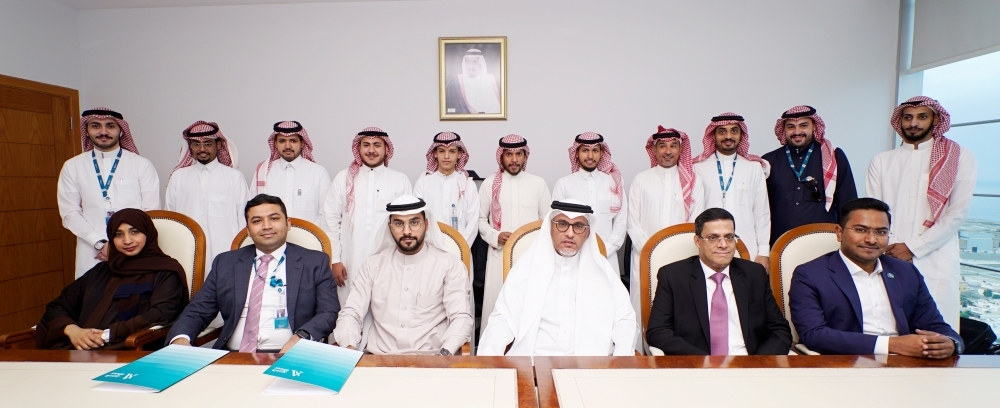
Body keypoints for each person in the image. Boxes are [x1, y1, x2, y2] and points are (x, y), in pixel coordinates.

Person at [788, 198, 963, 357]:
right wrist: (892, 345)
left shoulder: (906, 272)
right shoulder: (810, 274)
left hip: (909, 366)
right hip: (847, 365)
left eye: (881, 232)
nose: (871, 240)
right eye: (861, 230)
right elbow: (815, 335)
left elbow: (934, 324)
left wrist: (949, 343)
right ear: (839, 233)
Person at [166, 194, 339, 352]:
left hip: (292, 355)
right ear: (248, 230)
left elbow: (328, 312)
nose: (266, 226)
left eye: (274, 218)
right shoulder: (226, 263)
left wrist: (300, 338)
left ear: (288, 223)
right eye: (257, 221)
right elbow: (198, 311)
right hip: (232, 356)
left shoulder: (314, 262)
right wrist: (180, 339)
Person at [867, 96, 977, 331]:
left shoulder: (959, 158)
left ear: (935, 119)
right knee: (888, 326)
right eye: (908, 117)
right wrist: (894, 247)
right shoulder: (882, 161)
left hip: (935, 255)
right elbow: (874, 212)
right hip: (890, 254)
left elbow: (957, 213)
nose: (913, 123)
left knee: (937, 332)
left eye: (921, 117)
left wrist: (914, 247)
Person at [478, 200, 636, 356]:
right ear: (550, 228)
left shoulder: (603, 271)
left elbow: (625, 319)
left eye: (579, 226)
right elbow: (503, 319)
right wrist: (489, 358)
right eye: (562, 224)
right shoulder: (527, 267)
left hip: (590, 366)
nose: (570, 233)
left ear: (588, 233)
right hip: (533, 363)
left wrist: (621, 359)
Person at [334, 196, 473, 355]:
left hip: (432, 360)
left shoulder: (449, 265)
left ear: (426, 225)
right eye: (399, 224)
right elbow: (351, 312)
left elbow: (461, 316)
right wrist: (349, 346)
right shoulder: (372, 265)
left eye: (414, 222)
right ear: (389, 227)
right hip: (379, 361)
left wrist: (445, 353)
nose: (407, 231)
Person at [35, 209, 188, 350]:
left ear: (148, 234)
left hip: (128, 350)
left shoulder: (166, 271)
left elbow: (162, 313)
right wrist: (72, 330)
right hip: (79, 348)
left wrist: (106, 335)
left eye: (134, 232)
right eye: (118, 234)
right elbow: (58, 306)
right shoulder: (102, 270)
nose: (127, 241)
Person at [646, 208, 791, 355]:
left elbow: (779, 330)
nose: (723, 244)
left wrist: (757, 364)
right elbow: (658, 332)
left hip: (750, 365)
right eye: (713, 238)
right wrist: (704, 363)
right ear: (697, 241)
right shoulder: (673, 276)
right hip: (699, 367)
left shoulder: (754, 274)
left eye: (729, 237)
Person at [58, 108, 160, 278]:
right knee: (93, 299)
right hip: (91, 249)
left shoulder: (141, 165)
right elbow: (69, 213)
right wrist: (100, 244)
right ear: (87, 130)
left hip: (133, 248)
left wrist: (125, 244)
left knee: (132, 298)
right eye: (96, 126)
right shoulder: (72, 166)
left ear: (120, 130)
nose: (103, 132)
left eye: (110, 126)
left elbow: (151, 212)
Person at [324, 127, 412, 308]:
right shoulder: (343, 178)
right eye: (366, 145)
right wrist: (334, 260)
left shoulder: (399, 180)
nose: (371, 150)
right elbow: (330, 220)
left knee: (387, 309)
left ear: (386, 149)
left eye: (377, 145)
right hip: (350, 261)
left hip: (389, 261)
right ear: (358, 148)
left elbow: (407, 224)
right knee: (350, 309)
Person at [627, 126, 706, 321]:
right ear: (654, 150)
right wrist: (650, 251)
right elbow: (633, 222)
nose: (668, 151)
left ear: (681, 150)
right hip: (644, 255)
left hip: (681, 258)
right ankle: (640, 351)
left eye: (673, 146)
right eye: (662, 146)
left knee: (679, 308)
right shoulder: (641, 180)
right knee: (642, 306)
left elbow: (695, 224)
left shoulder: (694, 182)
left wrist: (674, 252)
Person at [478, 134, 551, 336]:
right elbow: (480, 220)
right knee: (497, 306)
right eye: (509, 154)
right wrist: (495, 235)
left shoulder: (538, 183)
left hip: (531, 256)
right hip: (499, 256)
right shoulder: (489, 184)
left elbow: (547, 221)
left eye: (519, 154)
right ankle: (493, 357)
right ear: (501, 157)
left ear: (525, 156)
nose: (514, 159)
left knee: (529, 308)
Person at [762, 106, 857, 245]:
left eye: (803, 125)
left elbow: (848, 204)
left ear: (814, 127)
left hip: (824, 242)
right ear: (784, 130)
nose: (797, 132)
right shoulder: (769, 161)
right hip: (780, 244)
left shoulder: (834, 157)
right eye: (791, 127)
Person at [165, 121, 251, 268]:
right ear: (190, 147)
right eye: (196, 144)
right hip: (186, 253)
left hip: (225, 254)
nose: (202, 149)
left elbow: (244, 220)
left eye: (208, 143)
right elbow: (170, 218)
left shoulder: (234, 177)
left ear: (218, 145)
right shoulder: (178, 177)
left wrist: (240, 254)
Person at [692, 113, 771, 270]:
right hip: (709, 244)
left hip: (748, 244)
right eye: (722, 131)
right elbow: (694, 213)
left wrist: (763, 251)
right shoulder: (697, 167)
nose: (728, 136)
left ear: (741, 135)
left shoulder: (754, 167)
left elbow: (762, 213)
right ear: (713, 135)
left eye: (734, 131)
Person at [552, 132, 627, 277]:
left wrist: (605, 249)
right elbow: (558, 225)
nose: (590, 156)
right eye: (585, 150)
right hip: (574, 258)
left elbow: (621, 223)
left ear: (602, 153)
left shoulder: (614, 182)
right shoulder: (564, 184)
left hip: (607, 257)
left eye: (595, 150)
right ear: (577, 153)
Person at [251, 121, 332, 236]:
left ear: (302, 143)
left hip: (308, 242)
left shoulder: (319, 173)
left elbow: (326, 213)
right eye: (282, 141)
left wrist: (309, 236)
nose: (287, 146)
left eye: (293, 141)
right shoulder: (263, 172)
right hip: (271, 242)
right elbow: (254, 211)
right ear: (275, 143)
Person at [412, 132, 480, 245]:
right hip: (429, 248)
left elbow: (473, 222)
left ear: (459, 154)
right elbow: (417, 219)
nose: (446, 156)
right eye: (442, 151)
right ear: (434, 153)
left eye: (452, 151)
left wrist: (460, 247)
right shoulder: (423, 183)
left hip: (461, 249)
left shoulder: (468, 184)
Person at [444, 48, 501, 114]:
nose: (471, 67)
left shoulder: (494, 80)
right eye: (468, 62)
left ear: (481, 64)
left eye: (475, 62)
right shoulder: (455, 81)